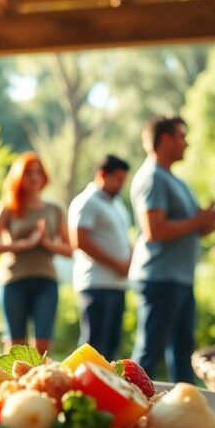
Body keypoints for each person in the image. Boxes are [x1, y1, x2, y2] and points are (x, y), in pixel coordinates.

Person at [128, 116, 215, 382]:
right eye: (182, 136)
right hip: (160, 280)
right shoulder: (152, 177)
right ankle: (126, 398)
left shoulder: (173, 180)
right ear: (166, 139)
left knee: (182, 354)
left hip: (178, 280)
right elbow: (154, 230)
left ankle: (185, 404)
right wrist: (198, 221)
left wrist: (204, 223)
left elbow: (187, 227)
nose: (186, 143)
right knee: (149, 353)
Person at [0, 152, 72, 354]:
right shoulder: (8, 208)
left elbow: (70, 249)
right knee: (15, 345)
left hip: (46, 280)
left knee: (43, 345)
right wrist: (24, 244)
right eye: (29, 173)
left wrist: (46, 243)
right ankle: (13, 377)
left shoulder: (55, 209)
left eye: (38, 172)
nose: (34, 177)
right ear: (19, 177)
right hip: (13, 281)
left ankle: (41, 375)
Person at [68, 154, 132, 361]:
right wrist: (116, 264)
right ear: (103, 175)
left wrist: (129, 261)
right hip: (96, 284)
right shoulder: (87, 201)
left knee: (111, 349)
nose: (121, 185)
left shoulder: (116, 204)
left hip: (117, 284)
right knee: (93, 348)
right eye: (118, 179)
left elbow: (123, 239)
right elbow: (80, 240)